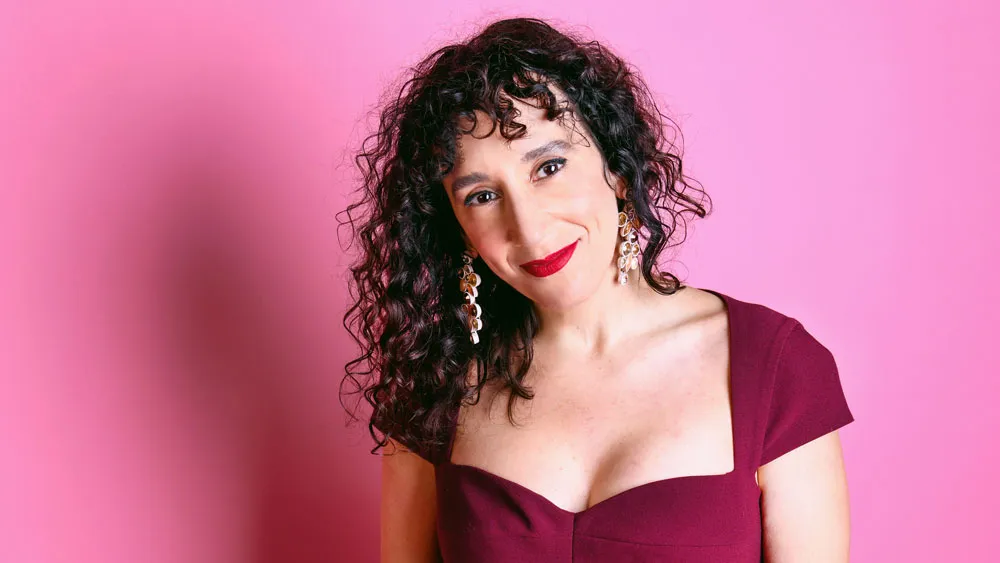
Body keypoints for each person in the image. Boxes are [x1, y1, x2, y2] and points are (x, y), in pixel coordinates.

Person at [339, 16, 855, 563]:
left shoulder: (777, 368)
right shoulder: (433, 380)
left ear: (616, 166)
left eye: (549, 166)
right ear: (458, 228)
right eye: (482, 196)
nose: (529, 229)